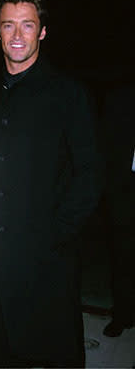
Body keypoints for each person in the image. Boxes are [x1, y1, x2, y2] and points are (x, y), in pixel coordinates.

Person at [0, 0, 102, 368]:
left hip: (49, 262)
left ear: (43, 31)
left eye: (27, 25)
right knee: (2, 355)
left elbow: (90, 173)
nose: (18, 36)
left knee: (56, 354)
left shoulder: (68, 94)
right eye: (8, 26)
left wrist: (57, 235)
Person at [100, 84, 135, 337]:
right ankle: (123, 314)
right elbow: (106, 143)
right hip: (126, 188)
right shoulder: (122, 95)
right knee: (123, 255)